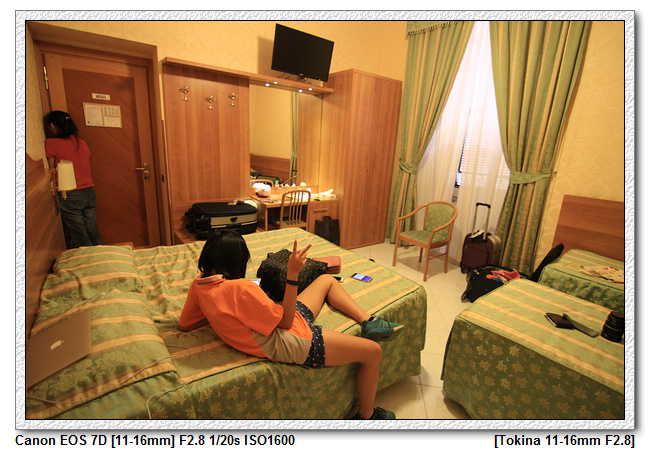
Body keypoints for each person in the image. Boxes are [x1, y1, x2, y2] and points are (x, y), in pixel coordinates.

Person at [179, 230, 404, 420]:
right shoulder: (240, 288)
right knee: (373, 352)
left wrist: (220, 313)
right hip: (290, 339)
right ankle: (367, 415)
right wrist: (292, 274)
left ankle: (368, 321)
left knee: (326, 280)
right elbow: (286, 323)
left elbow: (185, 324)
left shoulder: (199, 286)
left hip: (285, 319)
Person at [44, 110, 104, 247]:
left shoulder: (51, 143)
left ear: (52, 125)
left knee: (80, 234)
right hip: (89, 190)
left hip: (70, 193)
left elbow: (52, 170)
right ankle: (104, 254)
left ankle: (90, 258)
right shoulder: (81, 143)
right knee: (92, 229)